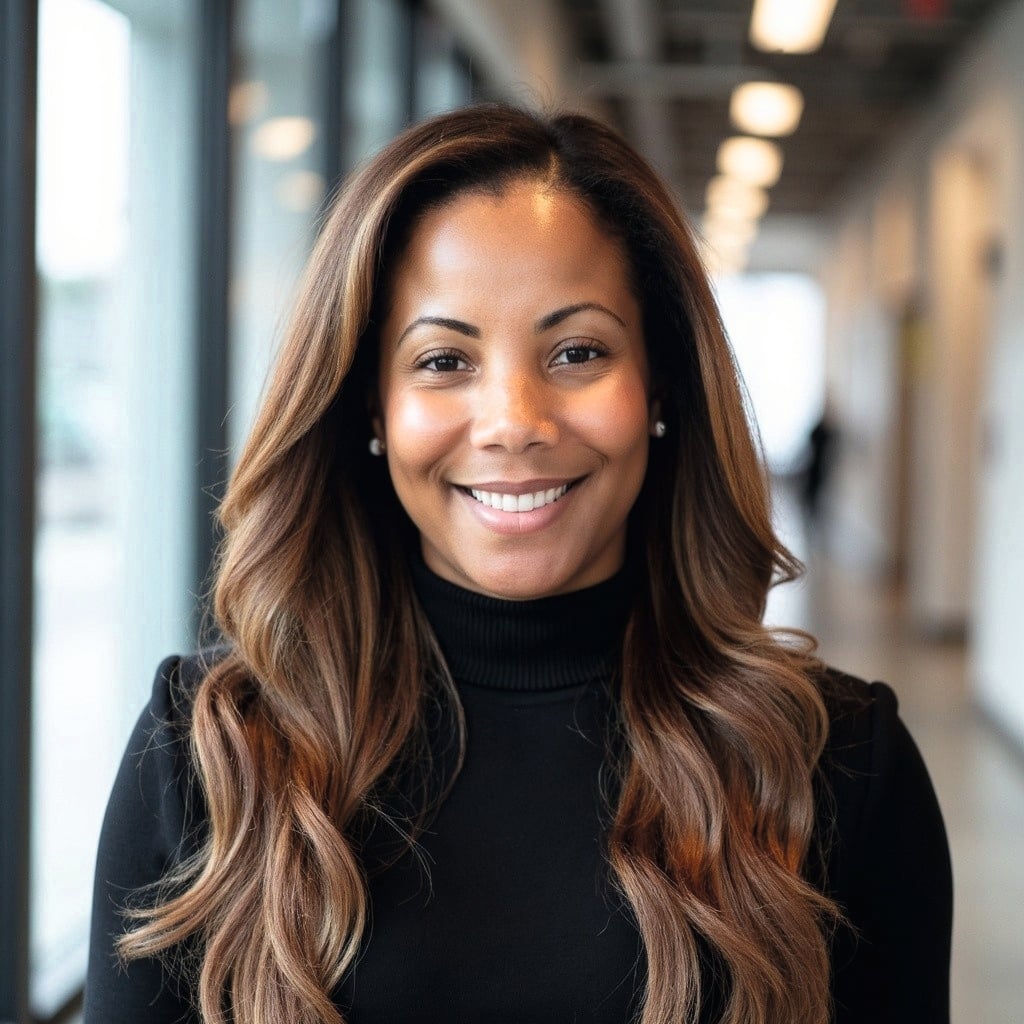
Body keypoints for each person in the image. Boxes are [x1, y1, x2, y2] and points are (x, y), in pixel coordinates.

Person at [84, 105, 952, 1024]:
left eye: (577, 351)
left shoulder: (841, 767)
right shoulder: (210, 756)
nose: (513, 421)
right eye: (444, 359)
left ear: (659, 386)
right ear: (369, 405)